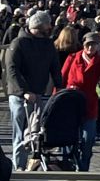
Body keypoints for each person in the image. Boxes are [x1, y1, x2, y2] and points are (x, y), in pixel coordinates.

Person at [4, 9, 63, 171]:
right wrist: (23, 91)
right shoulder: (18, 43)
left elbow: (55, 67)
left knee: (35, 132)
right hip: (20, 96)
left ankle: (33, 164)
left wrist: (59, 86)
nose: (49, 29)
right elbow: (12, 70)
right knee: (20, 133)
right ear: (38, 27)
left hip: (38, 93)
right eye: (46, 27)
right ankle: (19, 168)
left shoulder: (48, 44)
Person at [63, 30, 100, 170]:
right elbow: (61, 78)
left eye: (93, 45)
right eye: (88, 44)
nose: (90, 48)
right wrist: (56, 98)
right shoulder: (72, 58)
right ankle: (68, 166)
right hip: (71, 102)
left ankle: (84, 169)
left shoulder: (99, 61)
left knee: (88, 139)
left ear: (97, 46)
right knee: (68, 138)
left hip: (89, 103)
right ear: (83, 45)